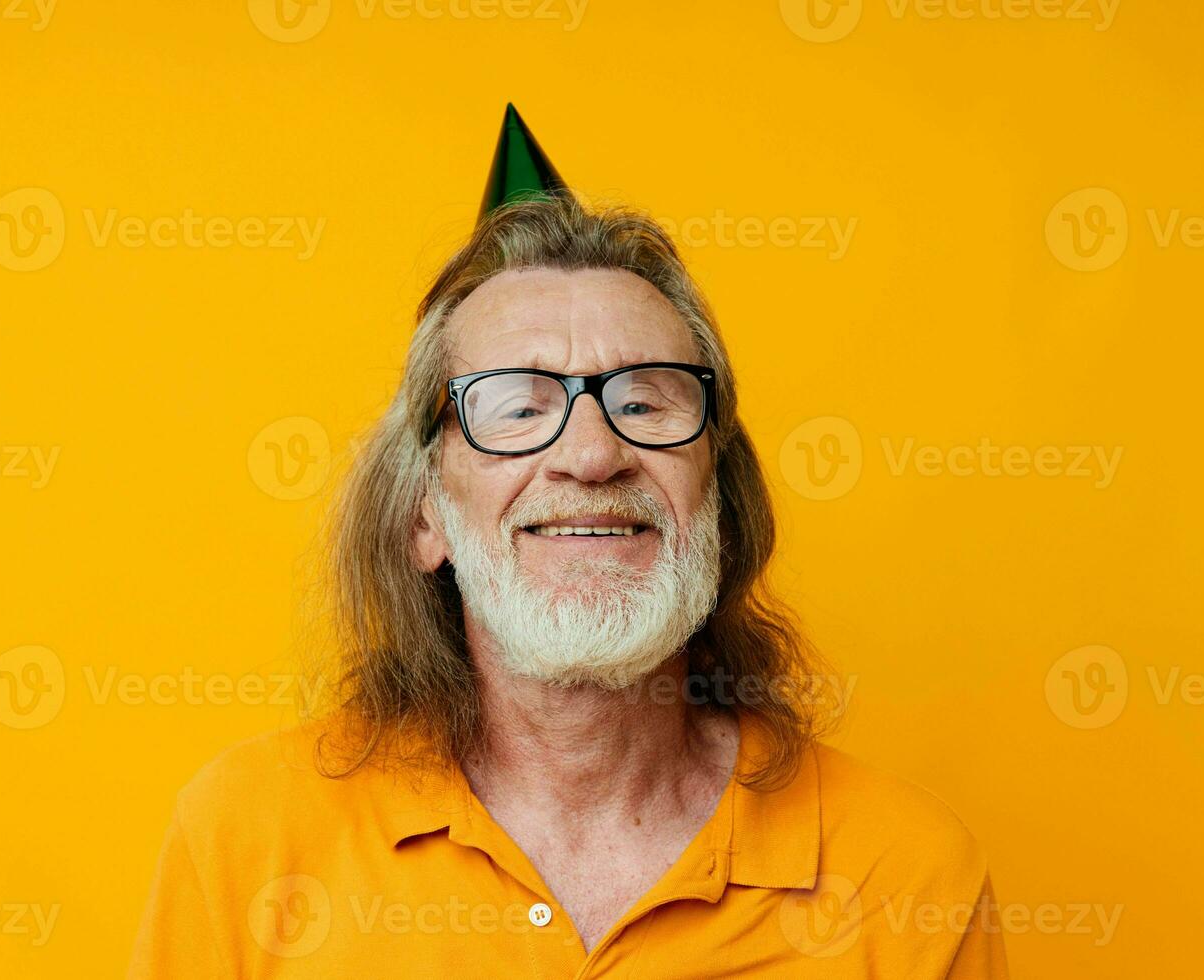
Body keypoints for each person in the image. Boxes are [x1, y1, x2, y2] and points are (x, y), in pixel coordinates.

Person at [128, 106, 1010, 979]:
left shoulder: (908, 877)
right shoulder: (245, 840)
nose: (591, 453)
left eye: (645, 400)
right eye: (518, 407)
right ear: (425, 514)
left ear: (720, 497)